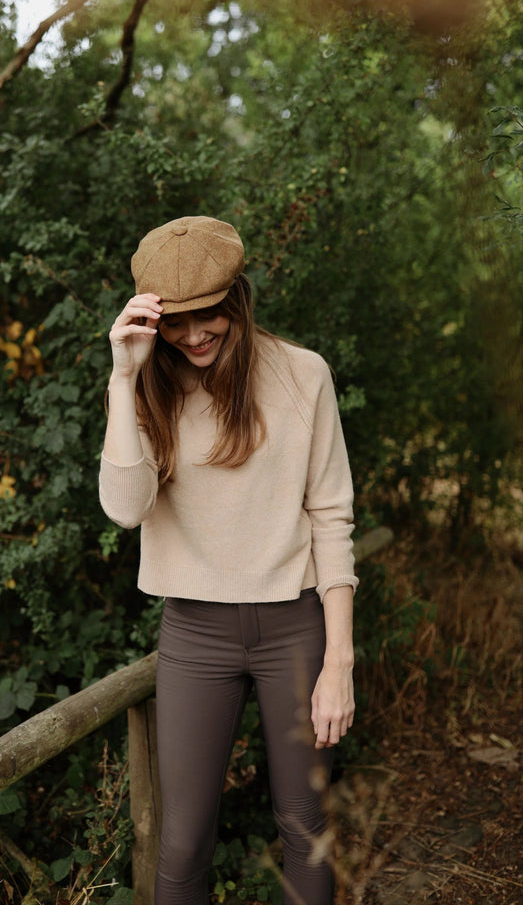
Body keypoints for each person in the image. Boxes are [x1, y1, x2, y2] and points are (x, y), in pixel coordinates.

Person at [99, 216, 357, 905]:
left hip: (297, 631)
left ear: (236, 298)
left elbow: (330, 517)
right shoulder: (146, 389)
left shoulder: (303, 375)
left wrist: (339, 662)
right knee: (182, 839)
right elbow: (125, 508)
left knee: (303, 824)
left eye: (206, 316)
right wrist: (123, 378)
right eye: (174, 323)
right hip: (194, 633)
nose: (191, 336)